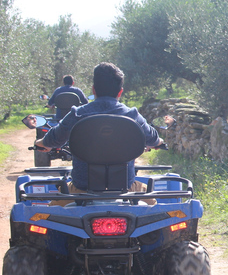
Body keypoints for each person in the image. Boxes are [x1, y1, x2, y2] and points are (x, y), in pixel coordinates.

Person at [35, 62, 164, 202]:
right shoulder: (132, 115)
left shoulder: (77, 114)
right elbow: (152, 138)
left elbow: (54, 138)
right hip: (126, 190)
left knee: (49, 219)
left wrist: (41, 143)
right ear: (120, 92)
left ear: (93, 90)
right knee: (156, 212)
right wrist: (159, 142)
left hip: (81, 191)